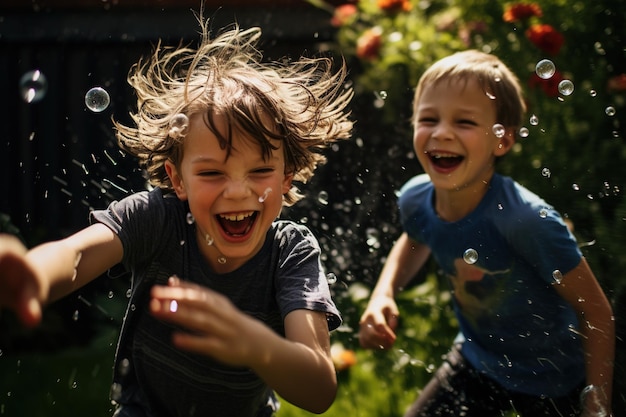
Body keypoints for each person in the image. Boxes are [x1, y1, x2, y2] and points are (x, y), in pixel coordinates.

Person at [0, 13, 353, 417]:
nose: (238, 191)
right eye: (211, 172)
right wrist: (34, 274)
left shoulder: (290, 252)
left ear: (287, 177)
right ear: (177, 179)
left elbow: (320, 389)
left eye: (260, 171)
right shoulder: (157, 218)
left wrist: (254, 342)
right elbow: (77, 254)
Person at [358, 50, 614, 417]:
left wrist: (597, 402)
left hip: (553, 380)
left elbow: (598, 312)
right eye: (429, 118)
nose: (442, 132)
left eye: (464, 122)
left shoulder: (525, 220)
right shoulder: (417, 198)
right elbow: (415, 238)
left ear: (503, 141)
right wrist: (383, 293)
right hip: (478, 359)